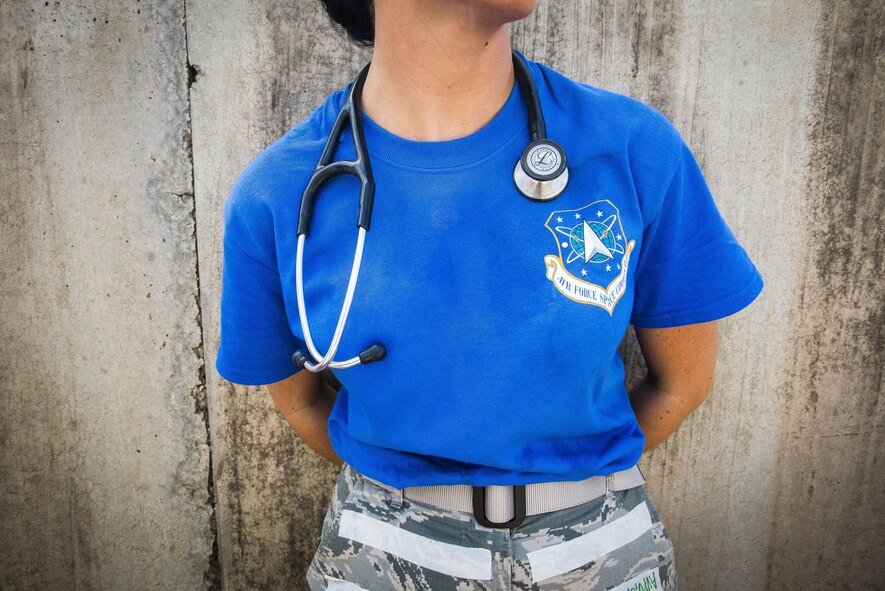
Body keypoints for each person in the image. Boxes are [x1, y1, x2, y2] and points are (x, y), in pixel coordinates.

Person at [214, 1, 764, 589]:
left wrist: (573, 478)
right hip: (382, 553)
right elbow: (300, 404)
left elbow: (683, 382)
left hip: (599, 547)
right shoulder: (277, 195)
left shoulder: (633, 149)